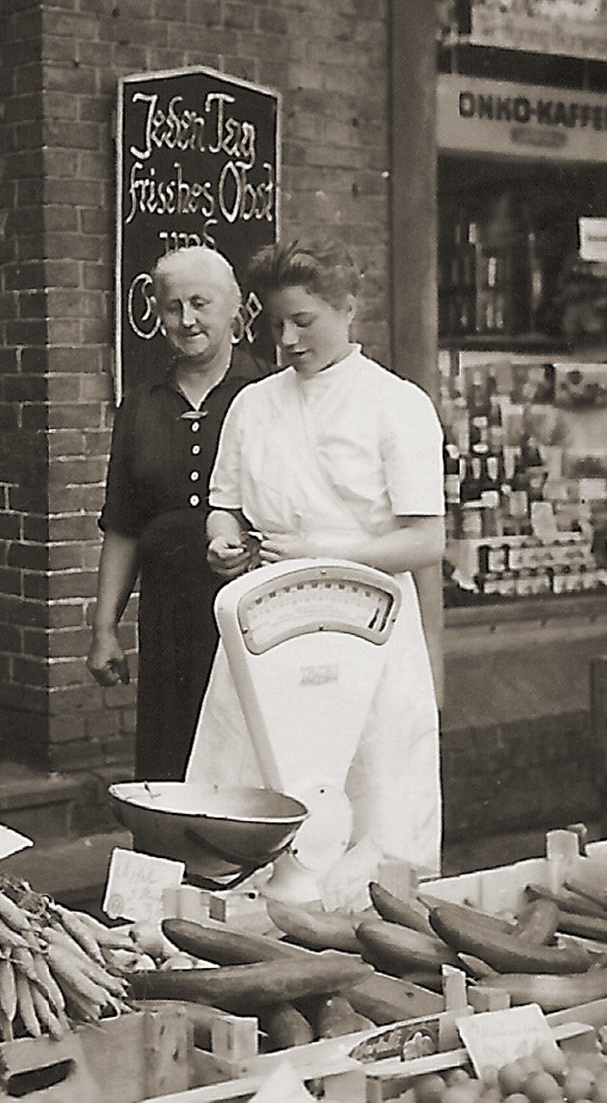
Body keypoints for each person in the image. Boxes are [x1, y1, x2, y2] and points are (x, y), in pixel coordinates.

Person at [194, 239, 444, 876]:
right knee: (255, 786)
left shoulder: (397, 404)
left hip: (369, 629)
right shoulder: (253, 404)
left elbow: (424, 541)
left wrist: (325, 551)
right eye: (275, 323)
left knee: (373, 793)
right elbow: (226, 505)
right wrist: (222, 540)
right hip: (268, 626)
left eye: (303, 321)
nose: (287, 339)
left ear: (348, 309)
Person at [86, 246, 264, 779]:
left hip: (251, 611)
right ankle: (169, 864)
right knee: (170, 760)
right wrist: (103, 629)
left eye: (200, 303)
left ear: (235, 308)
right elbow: (123, 525)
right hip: (168, 618)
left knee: (244, 758)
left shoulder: (268, 395)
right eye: (171, 307)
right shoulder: (141, 404)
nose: (186, 320)